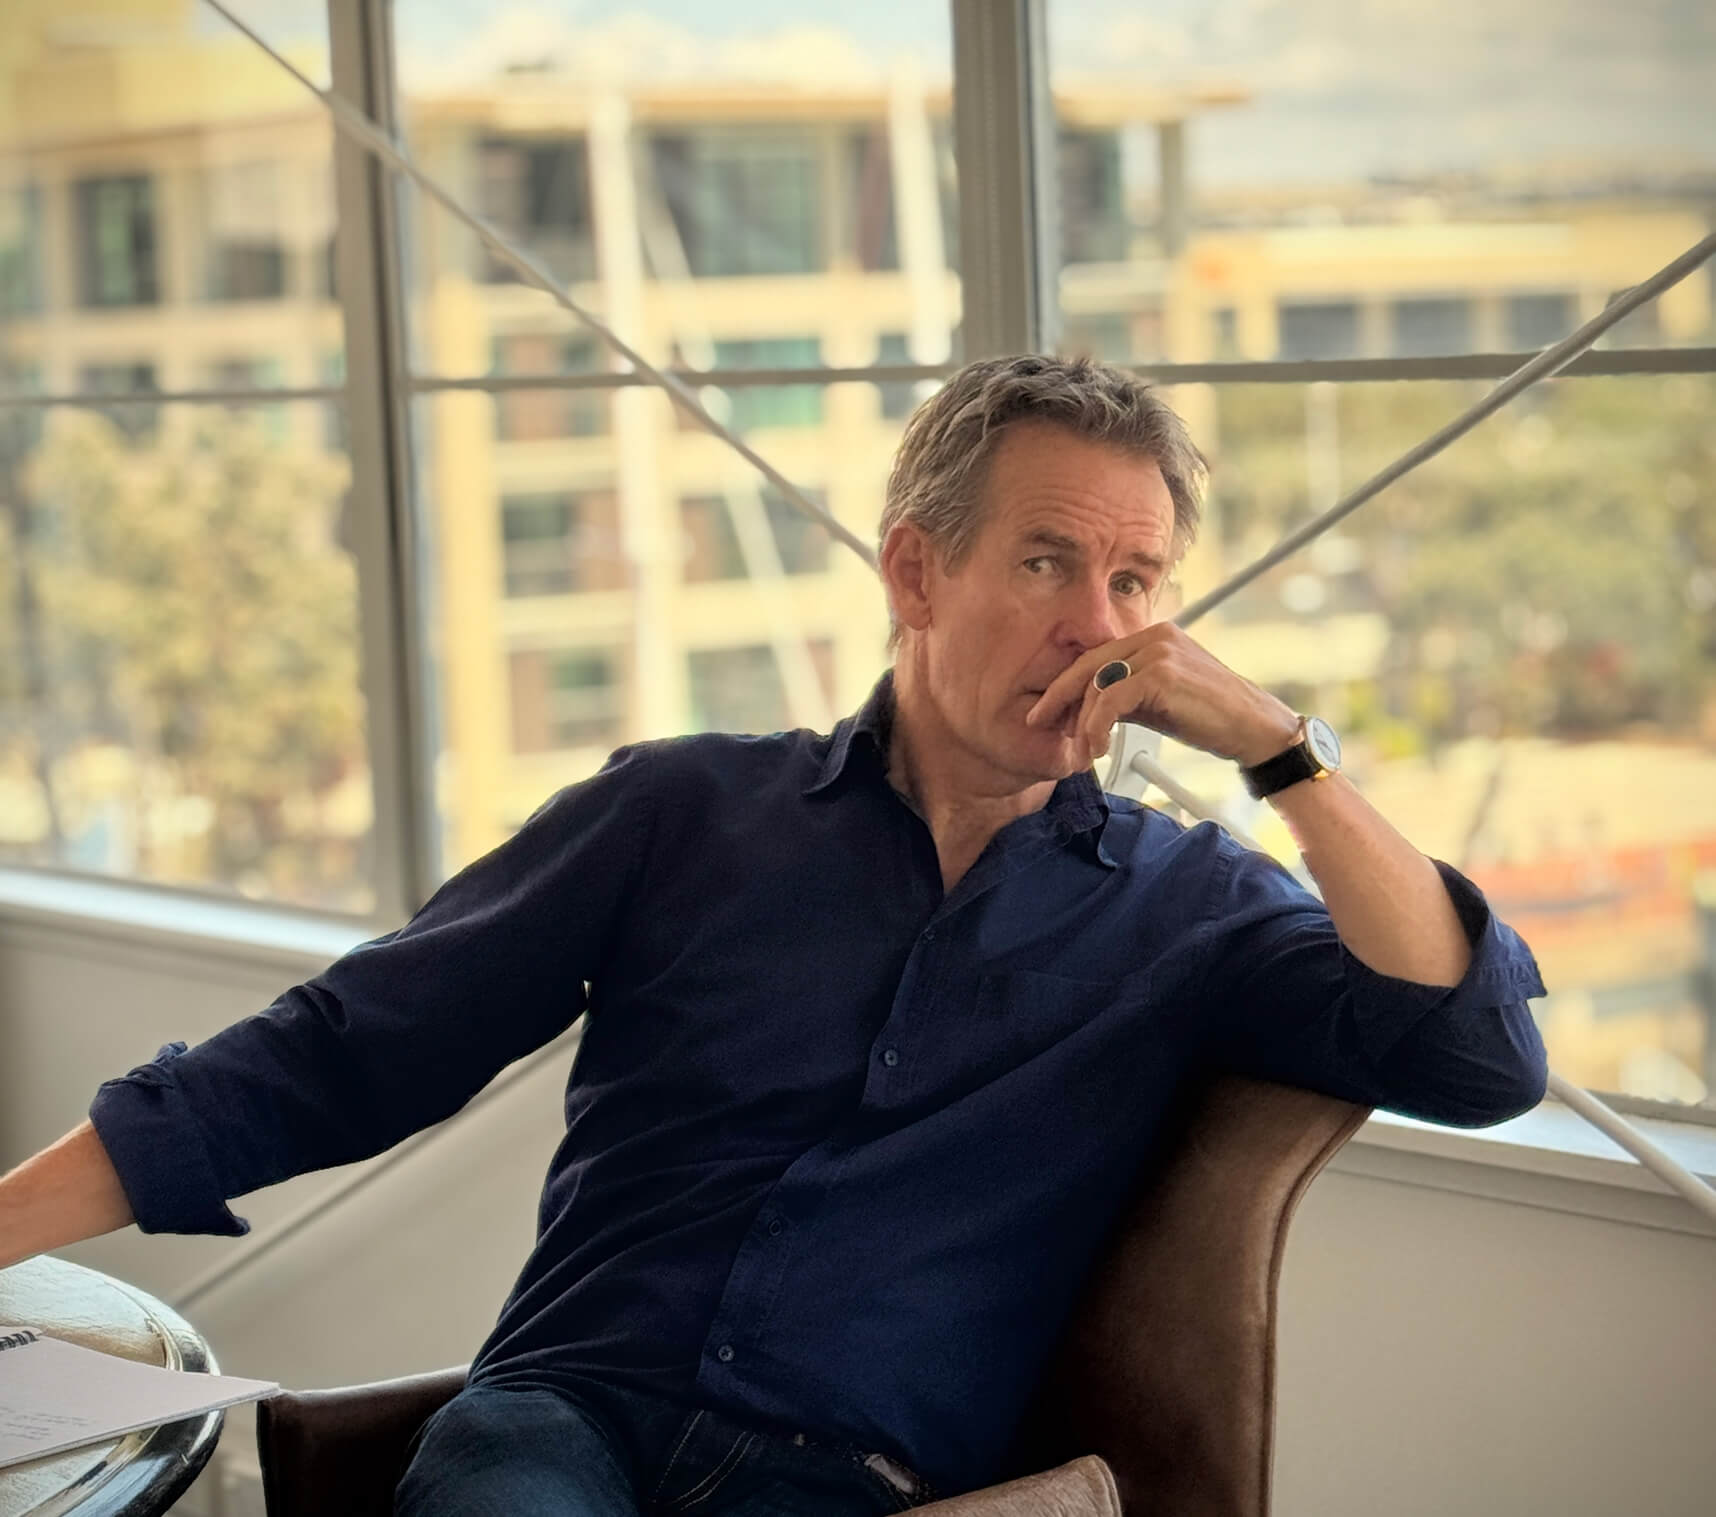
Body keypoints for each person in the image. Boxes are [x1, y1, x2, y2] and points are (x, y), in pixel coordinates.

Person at [0, 355, 1547, 1516]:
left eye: (1135, 579)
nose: (1099, 622)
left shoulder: (1190, 907)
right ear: (914, 568)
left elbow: (1477, 1048)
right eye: (1046, 560)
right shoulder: (681, 811)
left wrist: (1282, 747)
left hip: (855, 1485)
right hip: (556, 1432)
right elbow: (341, 1052)